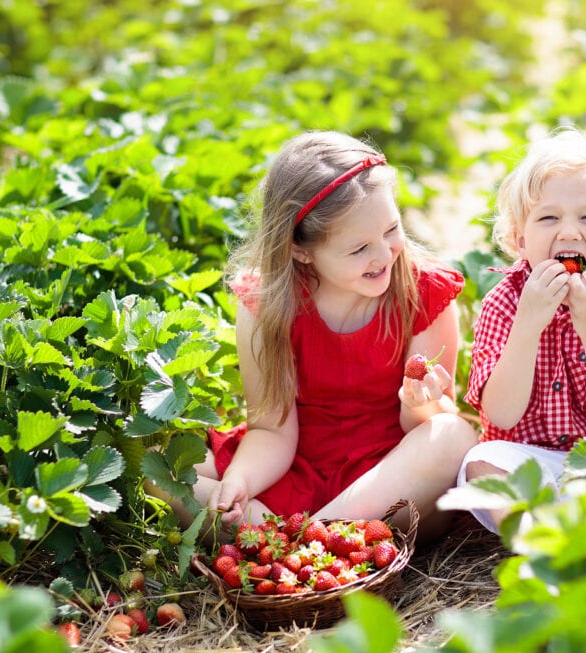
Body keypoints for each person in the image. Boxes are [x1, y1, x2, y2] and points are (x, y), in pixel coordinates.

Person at [155, 130, 478, 542]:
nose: (383, 255)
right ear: (301, 250)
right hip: (298, 463)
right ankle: (318, 541)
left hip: (387, 477)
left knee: (452, 435)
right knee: (161, 470)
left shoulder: (424, 292)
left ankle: (294, 542)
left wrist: (420, 402)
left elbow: (423, 427)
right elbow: (272, 430)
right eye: (359, 248)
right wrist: (240, 479)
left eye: (391, 229)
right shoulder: (268, 305)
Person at [455, 126, 586, 533]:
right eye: (548, 217)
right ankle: (539, 537)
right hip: (525, 460)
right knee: (480, 463)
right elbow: (500, 413)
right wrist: (528, 325)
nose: (568, 232)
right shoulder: (505, 302)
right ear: (519, 240)